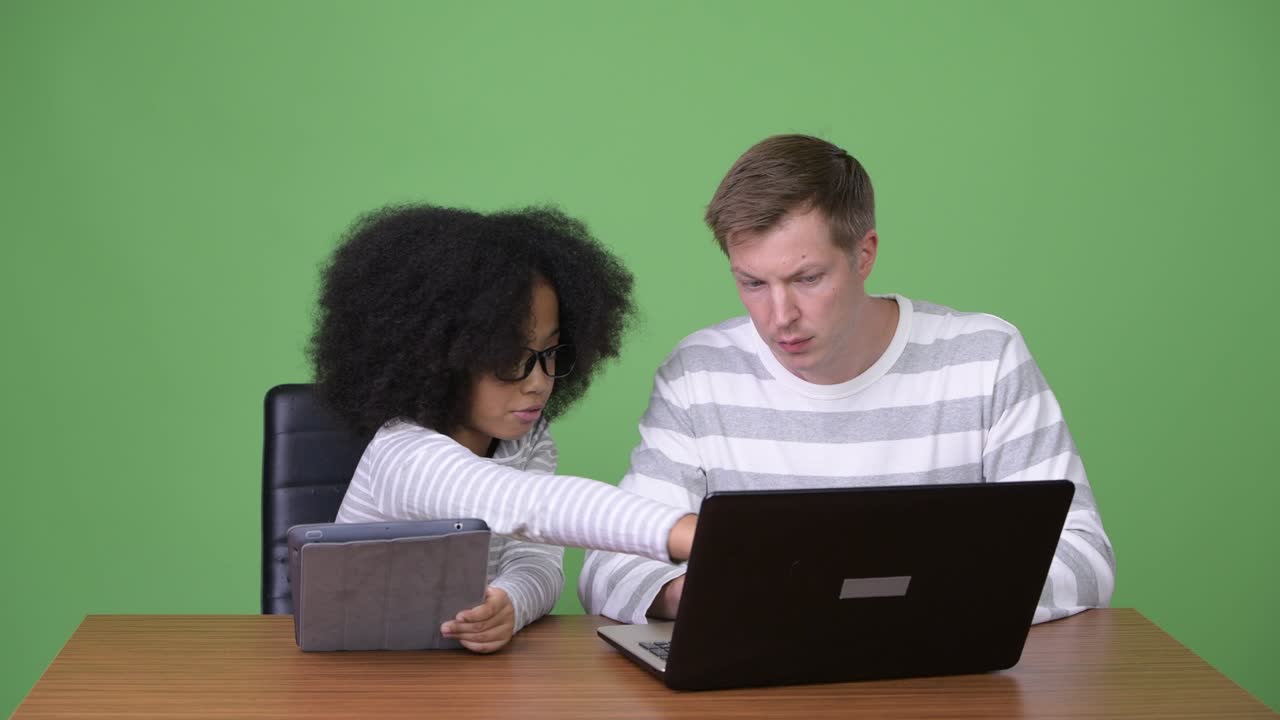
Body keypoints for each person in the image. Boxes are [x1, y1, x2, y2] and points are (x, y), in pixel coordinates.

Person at [579, 134, 1116, 625]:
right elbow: (610, 566)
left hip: (942, 684)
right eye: (752, 282)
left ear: (864, 254)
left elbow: (1084, 557)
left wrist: (894, 599)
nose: (779, 315)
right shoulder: (699, 373)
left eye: (808, 278)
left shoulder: (984, 359)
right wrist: (697, 595)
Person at [310, 204, 695, 653]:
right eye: (509, 358)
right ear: (437, 358)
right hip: (356, 677)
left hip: (456, 680)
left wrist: (511, 602)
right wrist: (690, 532)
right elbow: (530, 505)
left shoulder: (526, 441)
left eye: (549, 352)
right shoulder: (404, 454)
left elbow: (538, 560)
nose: (539, 382)